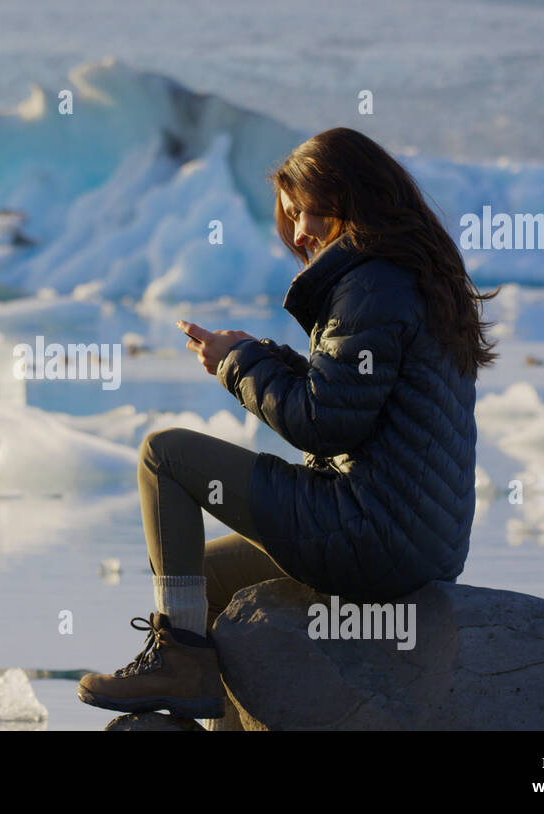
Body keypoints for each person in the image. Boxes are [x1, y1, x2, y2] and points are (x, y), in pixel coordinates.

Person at [77, 127, 501, 723]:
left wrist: (235, 364)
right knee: (200, 580)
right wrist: (265, 356)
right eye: (292, 216)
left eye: (306, 213)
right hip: (417, 541)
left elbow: (324, 423)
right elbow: (356, 397)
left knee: (163, 456)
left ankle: (178, 664)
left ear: (350, 199)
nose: (298, 233)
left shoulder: (371, 284)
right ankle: (207, 694)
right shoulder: (415, 278)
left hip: (371, 534)